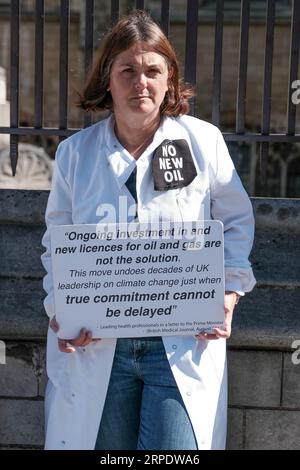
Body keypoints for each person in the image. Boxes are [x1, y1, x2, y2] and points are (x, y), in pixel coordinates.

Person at [41, 10, 256, 450]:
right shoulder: (74, 156)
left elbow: (235, 222)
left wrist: (228, 293)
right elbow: (56, 245)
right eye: (128, 70)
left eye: (153, 70)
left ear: (169, 78)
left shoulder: (203, 142)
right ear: (108, 79)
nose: (141, 82)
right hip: (100, 346)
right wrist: (61, 307)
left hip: (179, 342)